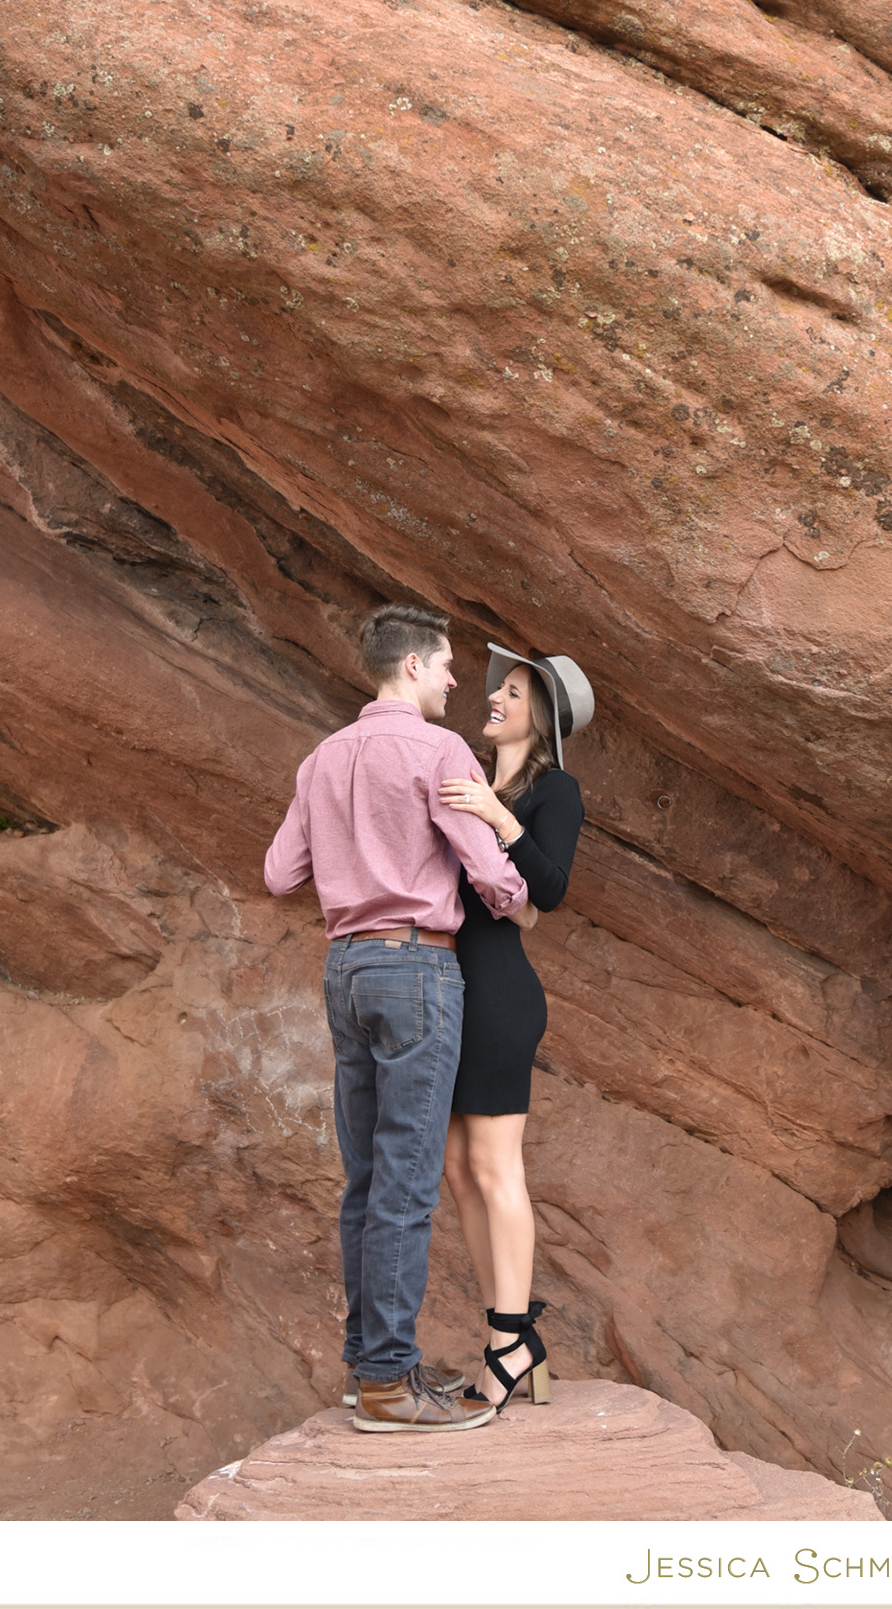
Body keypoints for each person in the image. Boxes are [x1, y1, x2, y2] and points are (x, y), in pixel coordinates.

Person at [264, 605, 535, 1433]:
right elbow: (491, 872)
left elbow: (280, 874)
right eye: (449, 665)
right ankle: (388, 1383)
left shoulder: (322, 759)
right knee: (409, 1179)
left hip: (345, 967)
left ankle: (362, 1372)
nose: (457, 682)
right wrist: (517, 898)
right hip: (417, 966)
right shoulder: (438, 750)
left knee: (367, 1179)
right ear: (412, 666)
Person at [438, 643, 593, 1410]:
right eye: (499, 686)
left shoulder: (552, 790)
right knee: (457, 1171)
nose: (495, 695)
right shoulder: (463, 773)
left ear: (542, 717)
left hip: (498, 994)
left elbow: (551, 892)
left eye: (514, 691)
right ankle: (507, 1331)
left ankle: (511, 1342)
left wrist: (499, 815)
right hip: (446, 990)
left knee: (496, 1168)